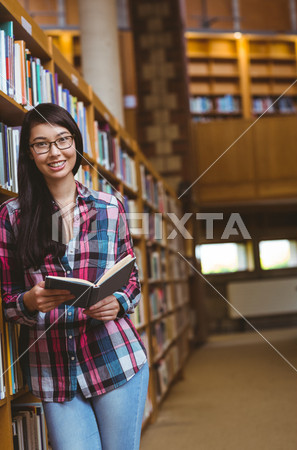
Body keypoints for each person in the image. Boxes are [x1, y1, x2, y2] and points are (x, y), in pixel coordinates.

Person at [0, 103, 149, 450]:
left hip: (114, 357)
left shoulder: (109, 207)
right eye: (41, 144)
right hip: (53, 371)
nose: (55, 152)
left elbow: (132, 279)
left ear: (76, 144)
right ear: (29, 153)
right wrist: (29, 301)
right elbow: (8, 299)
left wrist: (119, 302)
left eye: (63, 139)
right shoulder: (12, 216)